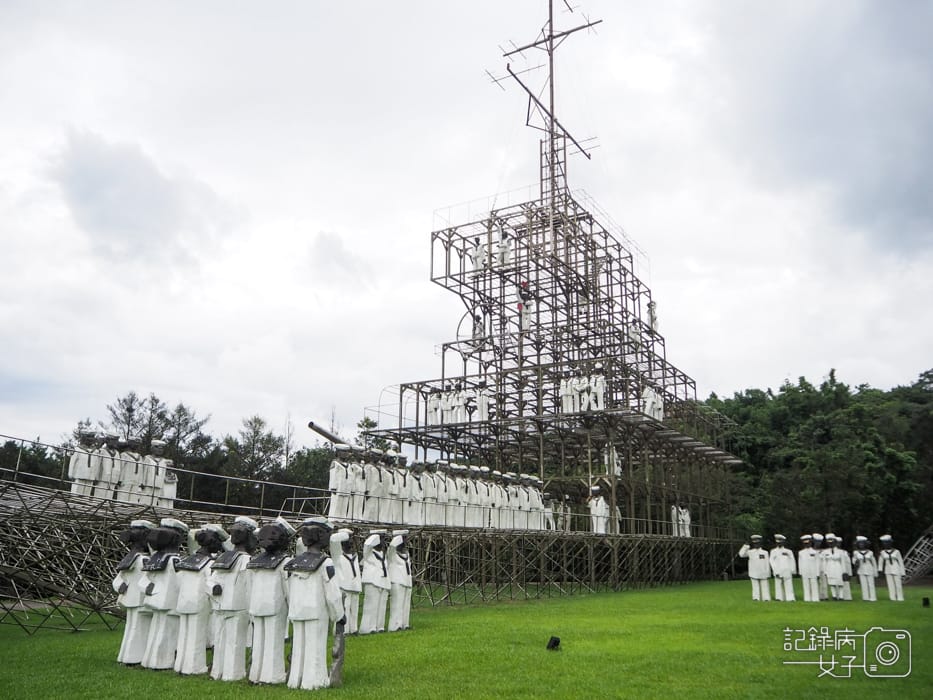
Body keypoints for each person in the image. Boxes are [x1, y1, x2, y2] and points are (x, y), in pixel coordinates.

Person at [285, 517, 346, 691]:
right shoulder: (325, 563)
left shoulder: (294, 563)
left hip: (297, 610)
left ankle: (295, 680)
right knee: (315, 647)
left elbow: (289, 589)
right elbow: (332, 593)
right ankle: (314, 680)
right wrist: (339, 615)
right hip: (316, 612)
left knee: (298, 647)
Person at [209, 516, 259, 681]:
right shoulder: (247, 560)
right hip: (237, 605)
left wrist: (213, 589)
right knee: (234, 641)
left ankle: (220, 671)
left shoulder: (223, 557)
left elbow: (210, 580)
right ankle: (231, 673)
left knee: (223, 640)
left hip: (224, 605)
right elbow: (250, 586)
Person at [247, 517, 295, 685]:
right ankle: (272, 675)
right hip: (275, 606)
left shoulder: (255, 561)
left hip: (257, 605)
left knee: (259, 641)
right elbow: (288, 587)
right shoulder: (285, 562)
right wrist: (292, 607)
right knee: (273, 641)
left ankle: (256, 674)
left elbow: (249, 586)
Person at [174, 524, 227, 675]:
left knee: (184, 634)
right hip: (199, 602)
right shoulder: (210, 563)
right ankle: (194, 667)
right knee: (197, 635)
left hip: (184, 601)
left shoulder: (188, 560)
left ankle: (180, 665)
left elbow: (178, 581)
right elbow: (211, 582)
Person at [139, 518, 188, 669]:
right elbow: (180, 581)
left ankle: (148, 660)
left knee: (155, 631)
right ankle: (162, 662)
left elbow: (143, 580)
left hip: (156, 600)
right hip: (170, 602)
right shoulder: (174, 560)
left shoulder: (155, 558)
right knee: (167, 633)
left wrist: (151, 589)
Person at [113, 519, 156, 664]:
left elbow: (119, 578)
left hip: (130, 598)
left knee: (131, 627)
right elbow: (149, 577)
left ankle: (125, 656)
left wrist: (120, 586)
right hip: (140, 599)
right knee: (139, 629)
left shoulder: (130, 558)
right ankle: (135, 657)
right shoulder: (144, 560)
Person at [329, 528, 362, 634]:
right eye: (348, 540)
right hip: (344, 586)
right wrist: (342, 535)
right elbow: (333, 541)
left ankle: (354, 628)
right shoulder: (338, 556)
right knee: (345, 607)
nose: (351, 542)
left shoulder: (355, 556)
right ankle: (344, 629)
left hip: (355, 586)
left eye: (351, 539)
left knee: (354, 609)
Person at [359, 529, 390, 634]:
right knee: (371, 605)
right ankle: (369, 627)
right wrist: (375, 536)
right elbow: (367, 545)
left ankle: (379, 626)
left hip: (383, 581)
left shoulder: (383, 554)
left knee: (382, 606)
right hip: (373, 581)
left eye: (383, 539)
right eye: (381, 539)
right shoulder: (369, 554)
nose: (382, 542)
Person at [386, 530, 413, 631]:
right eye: (404, 539)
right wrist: (398, 538)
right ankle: (395, 625)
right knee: (397, 603)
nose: (405, 541)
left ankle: (405, 623)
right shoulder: (392, 553)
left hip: (406, 580)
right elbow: (392, 546)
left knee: (406, 604)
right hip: (397, 580)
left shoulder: (406, 553)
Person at [738, 535, 771, 601]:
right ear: (753, 544)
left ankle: (766, 598)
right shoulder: (750, 552)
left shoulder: (765, 552)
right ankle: (756, 598)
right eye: (755, 543)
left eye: (757, 543)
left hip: (763, 572)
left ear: (760, 543)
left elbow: (767, 563)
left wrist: (768, 573)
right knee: (755, 586)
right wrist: (746, 546)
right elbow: (741, 554)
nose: (756, 545)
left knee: (765, 586)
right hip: (754, 572)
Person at [877, 535, 905, 601]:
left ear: (890, 543)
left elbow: (900, 562)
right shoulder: (882, 552)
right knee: (890, 584)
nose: (885, 544)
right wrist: (880, 570)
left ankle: (900, 597)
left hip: (896, 568)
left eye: (887, 543)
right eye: (884, 543)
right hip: (888, 569)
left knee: (898, 584)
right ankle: (892, 597)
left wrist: (902, 572)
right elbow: (880, 562)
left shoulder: (896, 551)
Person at [769, 534, 796, 602]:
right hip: (778, 570)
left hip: (787, 570)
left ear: (784, 542)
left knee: (789, 585)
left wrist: (793, 570)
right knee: (778, 584)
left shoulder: (788, 551)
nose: (779, 544)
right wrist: (775, 571)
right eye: (778, 542)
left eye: (780, 542)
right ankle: (779, 597)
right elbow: (771, 561)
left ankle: (790, 598)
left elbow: (792, 560)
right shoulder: (773, 551)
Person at [821, 533, 847, 601]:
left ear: (835, 542)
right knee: (832, 582)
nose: (830, 544)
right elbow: (824, 562)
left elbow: (843, 562)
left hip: (838, 567)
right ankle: (834, 595)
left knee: (840, 582)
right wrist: (825, 571)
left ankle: (841, 596)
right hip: (829, 567)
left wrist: (844, 571)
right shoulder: (825, 552)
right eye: (829, 543)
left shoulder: (841, 551)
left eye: (832, 542)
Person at [851, 536, 878, 602]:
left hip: (869, 568)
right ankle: (865, 597)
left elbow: (873, 562)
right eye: (860, 543)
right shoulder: (856, 552)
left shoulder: (870, 552)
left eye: (862, 543)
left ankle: (873, 597)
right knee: (863, 584)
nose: (861, 545)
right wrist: (855, 562)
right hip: (861, 569)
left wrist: (875, 571)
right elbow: (853, 560)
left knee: (871, 584)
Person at [797, 534, 820, 603]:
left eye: (808, 543)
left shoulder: (815, 552)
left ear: (810, 543)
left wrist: (817, 573)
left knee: (814, 584)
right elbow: (800, 563)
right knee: (805, 585)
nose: (807, 545)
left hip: (813, 570)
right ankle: (807, 598)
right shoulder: (801, 552)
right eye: (805, 543)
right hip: (805, 571)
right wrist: (800, 572)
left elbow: (817, 563)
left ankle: (815, 598)